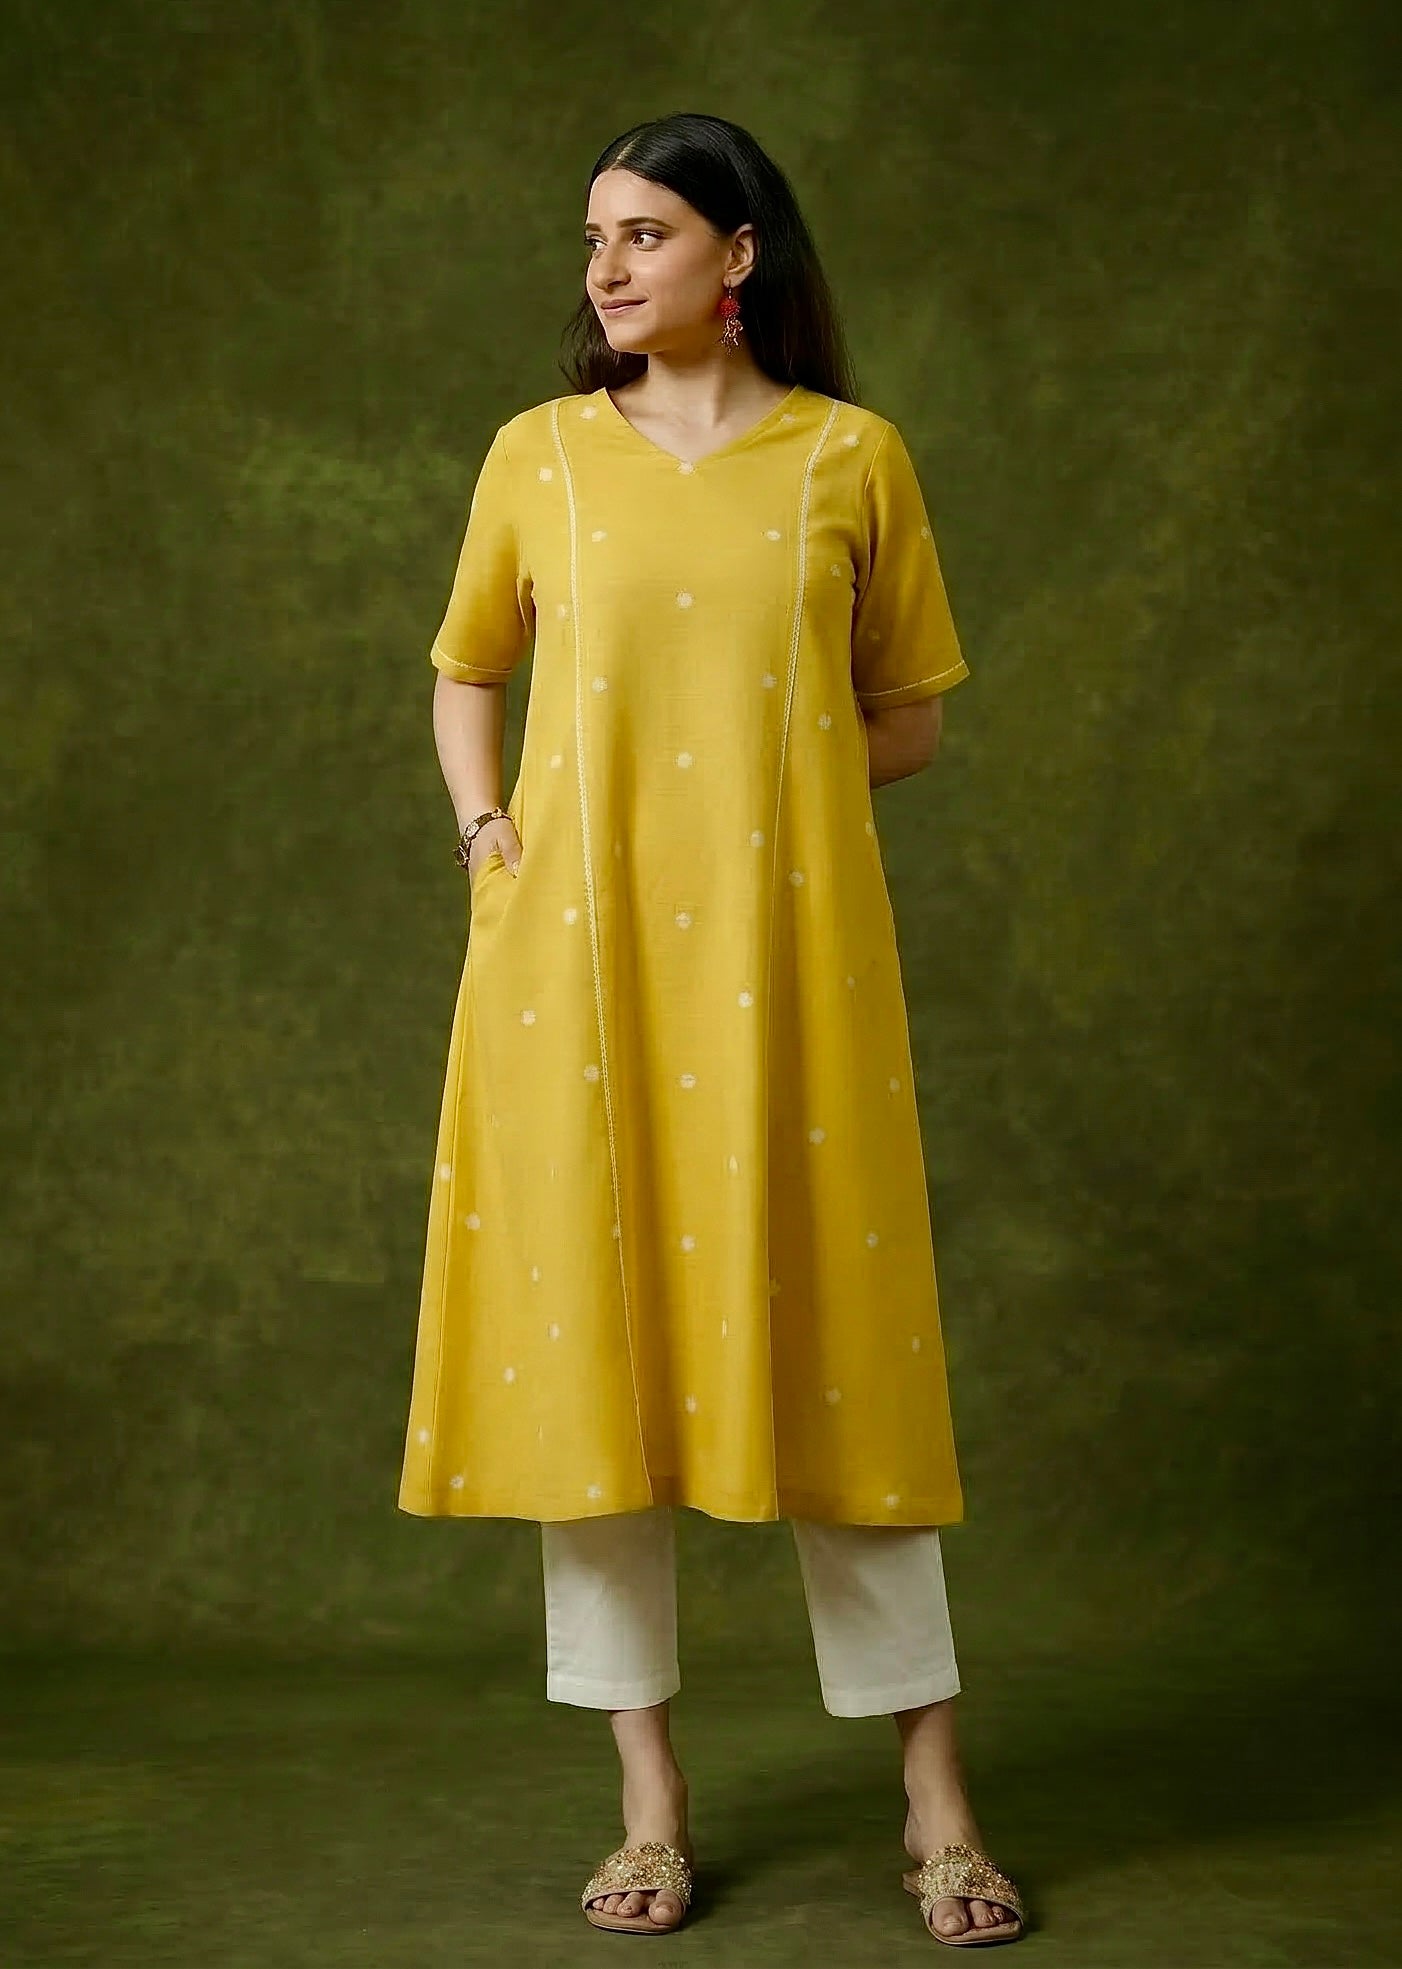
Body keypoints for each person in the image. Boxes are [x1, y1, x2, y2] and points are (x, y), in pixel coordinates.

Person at [397, 112, 1027, 1947]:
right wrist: (490, 833)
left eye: (645, 233)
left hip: (790, 963)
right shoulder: (537, 456)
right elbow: (464, 666)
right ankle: (648, 1803)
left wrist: (762, 793)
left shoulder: (850, 458)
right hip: (572, 969)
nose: (604, 268)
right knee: (587, 1364)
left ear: (736, 256)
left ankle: (936, 1800)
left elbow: (904, 715)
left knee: (846, 1354)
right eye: (592, 236)